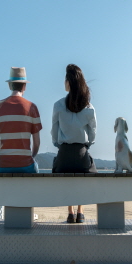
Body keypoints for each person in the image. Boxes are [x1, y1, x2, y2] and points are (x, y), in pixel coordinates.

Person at [51, 64, 97, 224]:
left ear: (68, 82)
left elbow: (54, 131)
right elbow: (93, 133)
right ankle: (80, 211)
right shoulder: (88, 107)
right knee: (86, 174)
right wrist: (87, 145)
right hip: (81, 153)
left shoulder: (58, 105)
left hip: (64, 154)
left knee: (65, 174)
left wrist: (58, 144)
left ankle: (70, 212)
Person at [0, 67, 42, 173]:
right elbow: (37, 144)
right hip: (26, 165)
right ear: (24, 86)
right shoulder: (32, 107)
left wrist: (5, 157)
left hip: (3, 166)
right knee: (35, 167)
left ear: (9, 85)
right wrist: (30, 157)